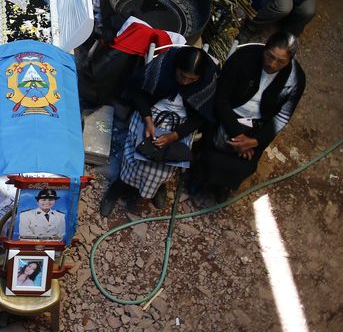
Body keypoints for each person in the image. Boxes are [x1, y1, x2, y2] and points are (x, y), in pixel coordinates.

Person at [100, 47, 217, 216]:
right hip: (151, 111)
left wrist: (175, 135)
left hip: (182, 122)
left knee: (168, 160)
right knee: (138, 151)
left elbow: (200, 117)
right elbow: (137, 94)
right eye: (182, 75)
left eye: (191, 79)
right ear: (176, 67)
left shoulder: (207, 79)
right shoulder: (164, 65)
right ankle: (119, 185)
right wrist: (147, 119)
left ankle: (157, 186)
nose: (185, 82)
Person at [193, 32, 305, 202]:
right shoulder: (243, 58)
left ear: (290, 60)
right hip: (228, 115)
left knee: (245, 163)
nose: (272, 64)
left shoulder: (295, 79)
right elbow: (221, 99)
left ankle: (223, 185)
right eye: (269, 56)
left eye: (280, 62)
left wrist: (255, 141)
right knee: (214, 149)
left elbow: (281, 117)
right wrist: (238, 134)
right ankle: (203, 179)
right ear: (265, 47)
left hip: (258, 125)